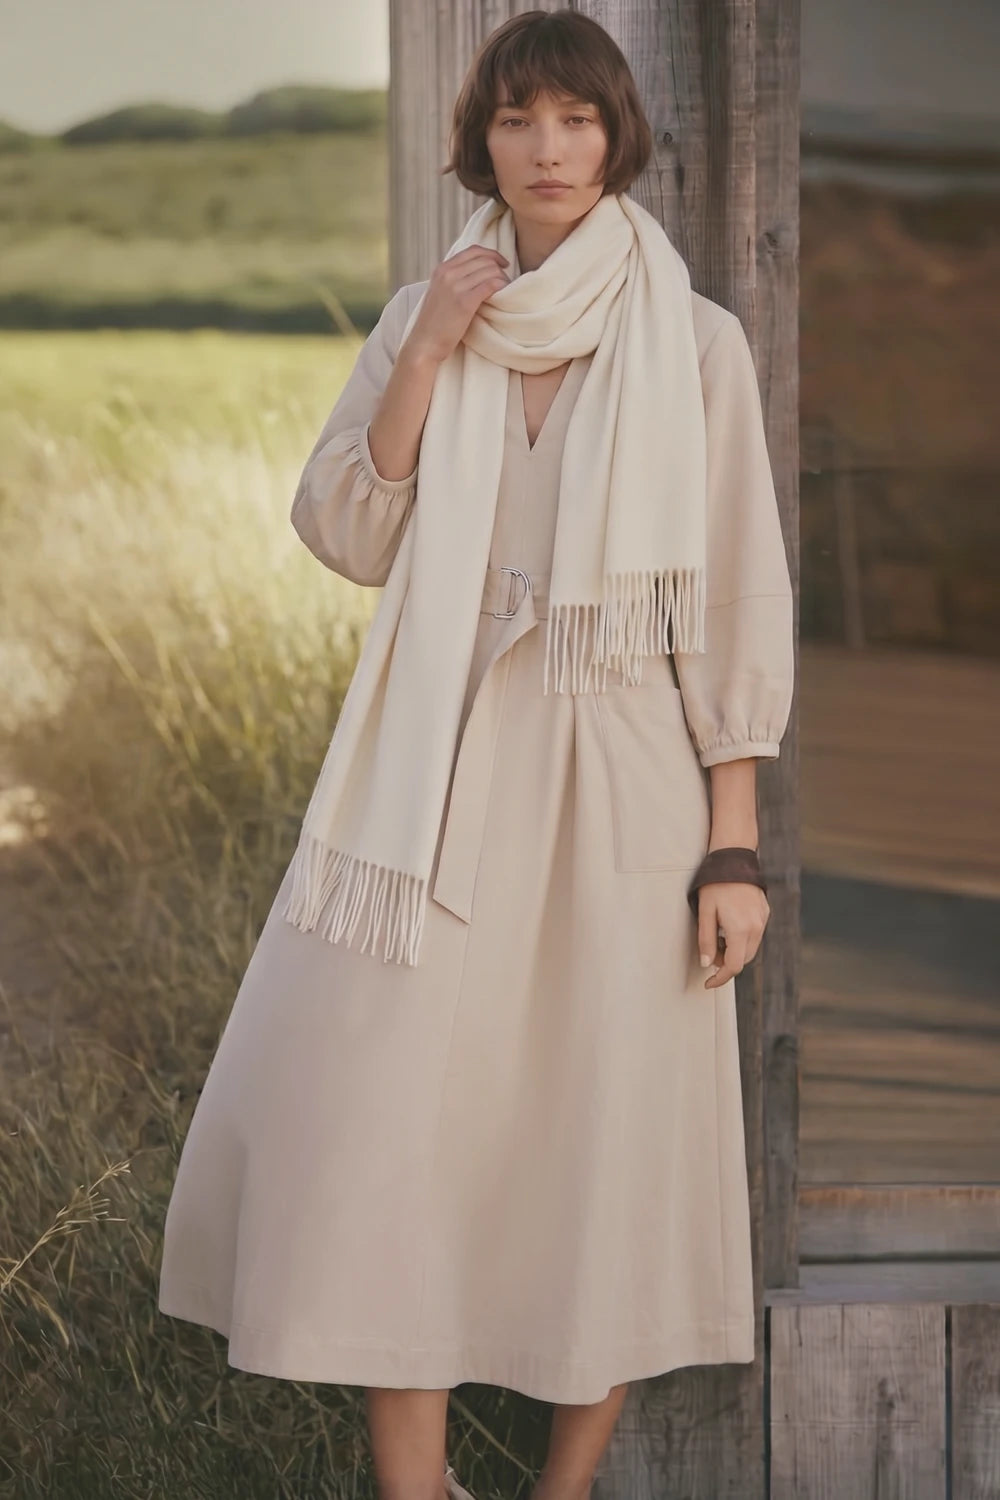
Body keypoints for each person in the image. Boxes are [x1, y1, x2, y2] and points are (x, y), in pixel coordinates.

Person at [157, 10, 794, 1500]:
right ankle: (414, 1489)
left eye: (578, 118)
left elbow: (736, 593)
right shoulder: (420, 314)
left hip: (627, 764)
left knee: (608, 1122)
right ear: (483, 141)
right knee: (388, 1118)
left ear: (616, 134)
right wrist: (431, 349)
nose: (551, 147)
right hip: (434, 764)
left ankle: (561, 1492)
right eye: (521, 121)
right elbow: (348, 533)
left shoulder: (696, 341)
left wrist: (732, 842)